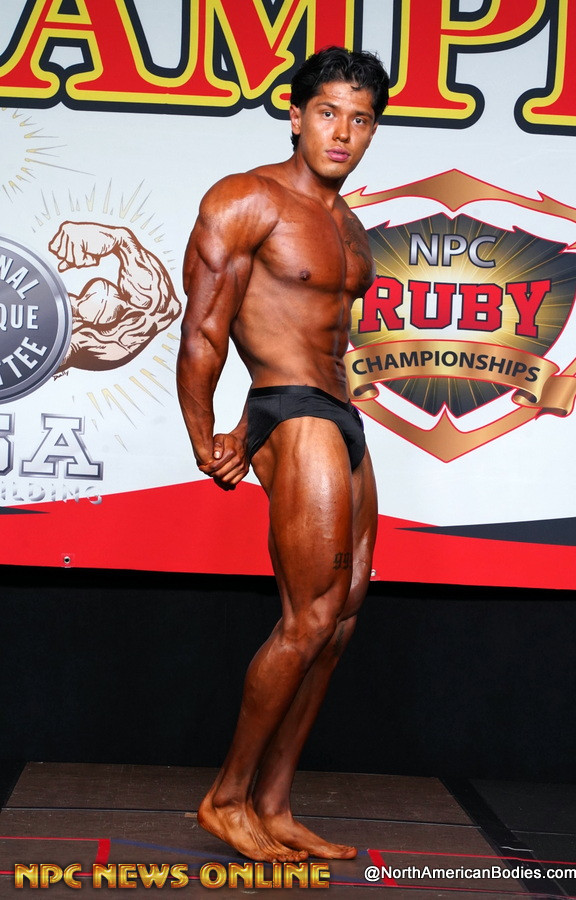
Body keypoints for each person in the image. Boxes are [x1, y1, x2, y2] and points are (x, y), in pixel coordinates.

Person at [177, 46, 389, 863]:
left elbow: (321, 332)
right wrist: (207, 435)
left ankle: (274, 801)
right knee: (309, 617)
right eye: (328, 112)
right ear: (295, 115)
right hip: (290, 410)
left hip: (339, 412)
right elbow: (205, 327)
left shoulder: (350, 226)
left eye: (360, 119)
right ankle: (226, 799)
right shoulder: (247, 199)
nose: (343, 132)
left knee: (342, 618)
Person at [48, 221, 180, 371]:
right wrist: (122, 241)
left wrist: (120, 239)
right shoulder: (70, 342)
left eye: (77, 301)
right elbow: (161, 311)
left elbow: (162, 310)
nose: (72, 301)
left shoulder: (77, 339)